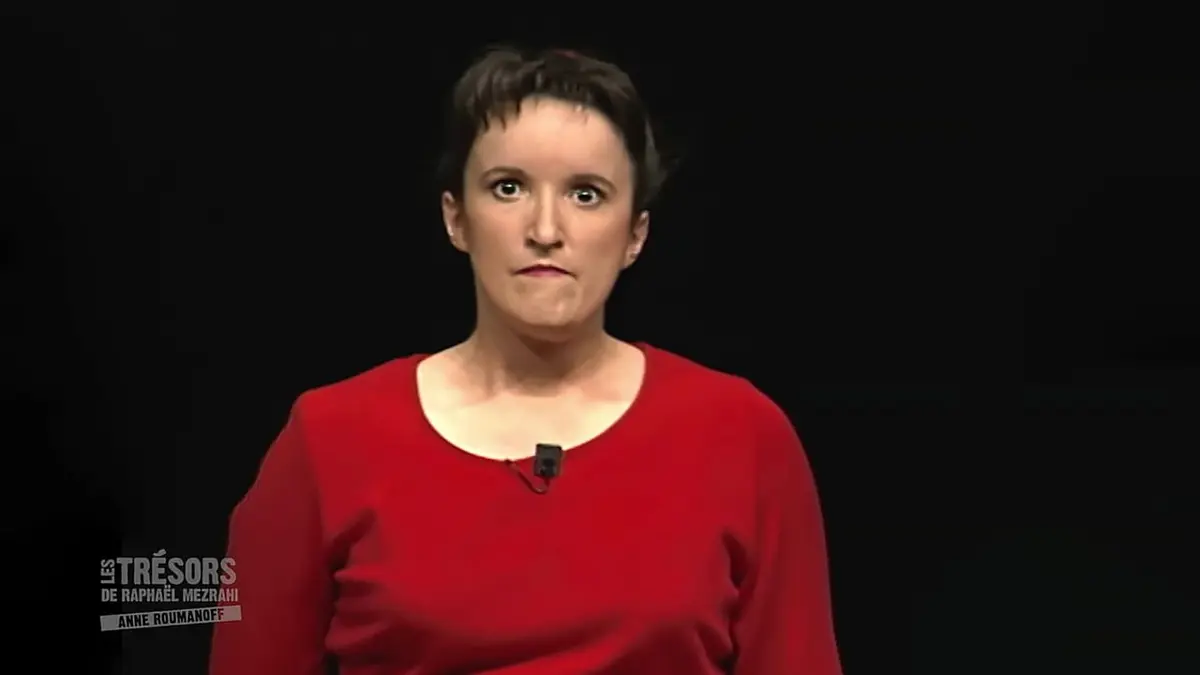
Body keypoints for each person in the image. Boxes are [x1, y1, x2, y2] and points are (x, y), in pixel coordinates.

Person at [208, 45, 842, 675]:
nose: (544, 229)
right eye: (508, 188)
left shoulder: (741, 434)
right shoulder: (328, 439)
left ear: (635, 235)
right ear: (457, 218)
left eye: (586, 194)